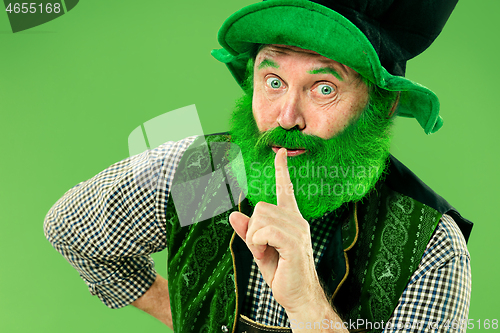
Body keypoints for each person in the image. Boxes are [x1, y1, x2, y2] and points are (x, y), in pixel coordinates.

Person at [44, 0, 472, 332]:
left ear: (382, 105)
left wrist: (308, 305)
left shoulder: (427, 245)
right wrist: (181, 314)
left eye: (324, 88)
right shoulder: (213, 177)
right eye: (273, 81)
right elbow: (70, 227)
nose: (287, 118)